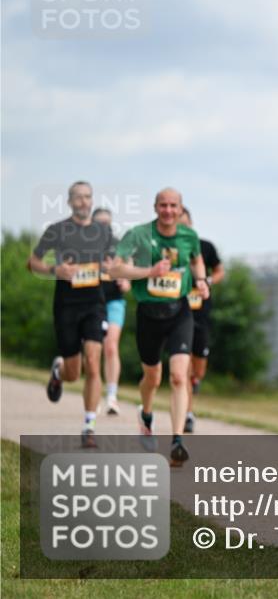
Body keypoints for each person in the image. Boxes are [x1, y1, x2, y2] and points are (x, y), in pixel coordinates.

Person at [109, 188, 209, 466]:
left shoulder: (189, 236)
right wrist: (148, 272)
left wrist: (201, 280)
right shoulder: (138, 235)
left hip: (180, 312)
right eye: (163, 205)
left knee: (178, 376)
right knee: (152, 378)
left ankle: (177, 441)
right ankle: (146, 415)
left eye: (173, 205)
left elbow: (197, 260)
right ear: (155, 207)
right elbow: (115, 269)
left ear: (180, 209)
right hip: (149, 314)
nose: (168, 210)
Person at [27, 181, 114, 448]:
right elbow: (32, 262)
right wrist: (55, 270)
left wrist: (113, 267)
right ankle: (59, 371)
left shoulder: (103, 232)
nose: (84, 202)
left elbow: (115, 261)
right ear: (69, 202)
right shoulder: (57, 230)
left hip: (94, 304)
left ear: (92, 200)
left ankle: (89, 426)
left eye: (88, 197)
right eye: (78, 197)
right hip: (66, 305)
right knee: (74, 373)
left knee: (93, 361)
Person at [177, 206, 225, 433]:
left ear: (191, 225)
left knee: (198, 369)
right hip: (178, 314)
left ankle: (196, 381)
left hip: (201, 314)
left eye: (185, 224)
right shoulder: (169, 251)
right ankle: (188, 414)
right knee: (183, 369)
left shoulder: (205, 247)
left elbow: (219, 271)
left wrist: (208, 281)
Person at [91, 207, 131, 416]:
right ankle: (93, 394)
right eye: (99, 223)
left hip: (114, 302)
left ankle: (112, 397)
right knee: (93, 349)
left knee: (111, 346)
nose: (103, 227)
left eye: (107, 223)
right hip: (91, 303)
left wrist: (123, 280)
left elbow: (128, 282)